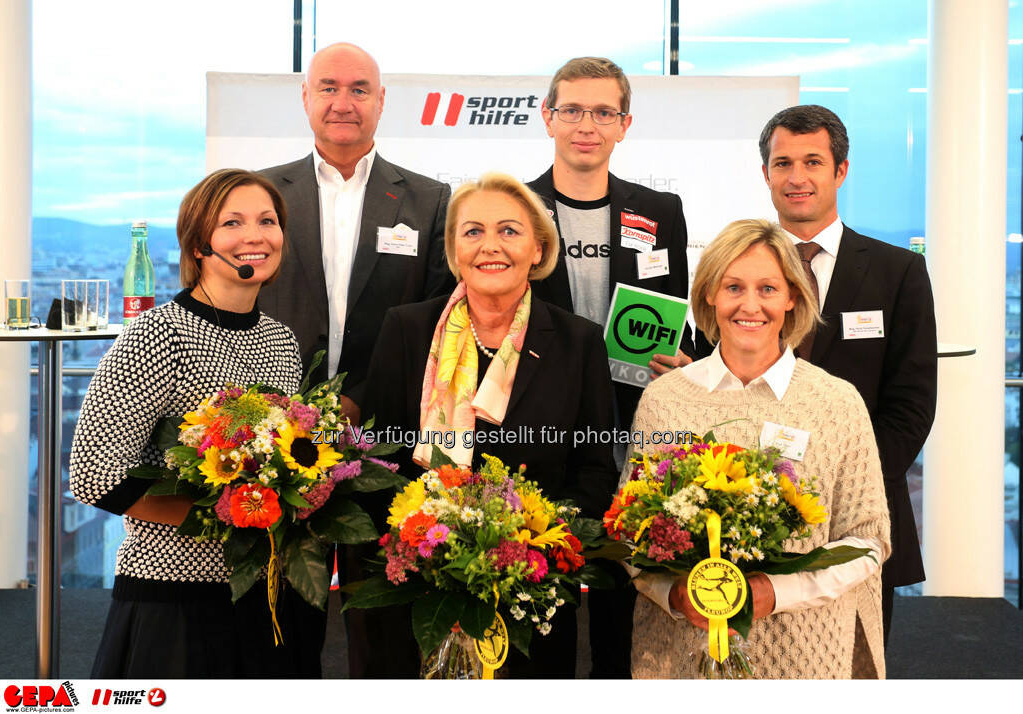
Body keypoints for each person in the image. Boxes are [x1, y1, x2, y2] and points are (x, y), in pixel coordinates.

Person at [363, 172, 619, 677]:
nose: (490, 246)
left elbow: (594, 467)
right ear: (454, 249)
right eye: (473, 231)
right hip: (421, 595)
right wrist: (421, 551)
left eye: (509, 230)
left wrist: (534, 544)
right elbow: (378, 460)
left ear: (538, 248)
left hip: (534, 593)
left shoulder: (579, 340)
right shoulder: (405, 329)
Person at [69, 169, 323, 677]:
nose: (255, 236)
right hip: (175, 592)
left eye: (267, 221)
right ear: (199, 244)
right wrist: (219, 516)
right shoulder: (158, 334)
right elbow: (92, 475)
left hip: (267, 590)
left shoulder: (282, 341)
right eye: (233, 222)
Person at [628, 219, 890, 679]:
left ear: (792, 297)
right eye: (733, 287)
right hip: (678, 658)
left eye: (768, 288)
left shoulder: (837, 403)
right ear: (709, 294)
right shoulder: (663, 400)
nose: (750, 305)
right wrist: (672, 593)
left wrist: (776, 591)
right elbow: (631, 533)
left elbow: (869, 539)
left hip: (803, 658)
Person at [527, 55, 710, 678]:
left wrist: (682, 361)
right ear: (548, 118)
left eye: (603, 112)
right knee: (536, 601)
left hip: (632, 429)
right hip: (538, 431)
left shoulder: (660, 211)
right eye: (573, 110)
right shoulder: (514, 206)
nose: (587, 124)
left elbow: (681, 316)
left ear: (624, 124)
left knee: (622, 602)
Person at [759, 105, 937, 644]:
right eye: (782, 162)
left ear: (841, 170)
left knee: (854, 663)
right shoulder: (741, 270)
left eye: (813, 161)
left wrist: (843, 485)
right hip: (751, 509)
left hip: (857, 515)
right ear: (765, 173)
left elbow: (911, 404)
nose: (797, 177)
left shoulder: (898, 272)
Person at [259, 42, 453, 426]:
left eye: (359, 90)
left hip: (386, 420)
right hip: (271, 420)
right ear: (305, 97)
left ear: (380, 101)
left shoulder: (430, 201)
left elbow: (437, 315)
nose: (343, 104)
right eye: (328, 88)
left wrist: (363, 397)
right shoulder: (260, 194)